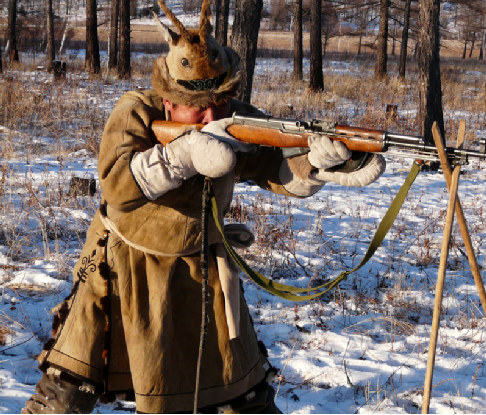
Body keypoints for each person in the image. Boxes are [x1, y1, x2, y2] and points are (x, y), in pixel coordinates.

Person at [21, 0, 385, 413]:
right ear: (169, 102)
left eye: (219, 104)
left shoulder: (236, 120)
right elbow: (118, 184)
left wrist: (317, 163)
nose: (210, 116)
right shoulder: (135, 111)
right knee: (65, 393)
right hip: (125, 268)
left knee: (243, 395)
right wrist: (185, 154)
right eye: (197, 106)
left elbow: (274, 167)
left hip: (202, 268)